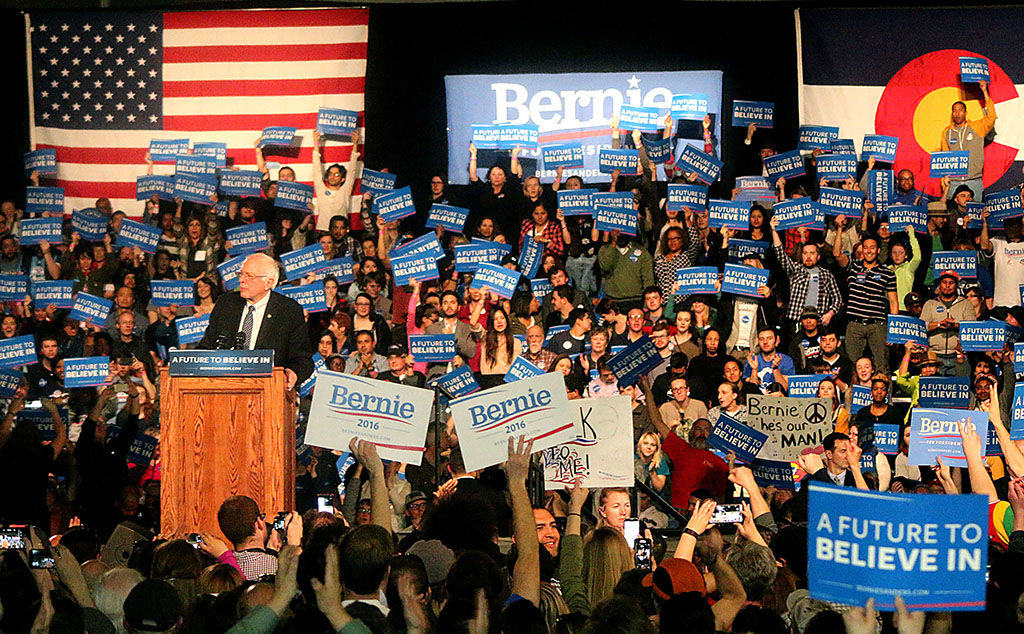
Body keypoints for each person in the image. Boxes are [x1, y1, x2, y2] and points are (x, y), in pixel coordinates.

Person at [198, 253, 313, 388]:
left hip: (268, 389)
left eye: (249, 276)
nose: (242, 280)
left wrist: (293, 373)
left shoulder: (289, 310)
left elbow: (303, 359)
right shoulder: (226, 304)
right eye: (241, 274)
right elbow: (206, 347)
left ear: (268, 282)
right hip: (223, 386)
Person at [833, 229, 898, 373]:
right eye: (866, 247)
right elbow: (837, 254)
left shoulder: (888, 273)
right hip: (854, 324)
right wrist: (839, 229)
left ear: (878, 250)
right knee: (851, 366)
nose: (869, 251)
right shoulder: (853, 267)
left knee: (882, 366)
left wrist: (893, 331)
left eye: (872, 247)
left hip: (877, 325)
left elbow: (893, 302)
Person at [770, 217, 842, 333]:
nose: (808, 256)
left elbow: (837, 299)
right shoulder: (795, 270)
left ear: (818, 257)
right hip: (795, 321)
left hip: (818, 322)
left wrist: (829, 314)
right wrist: (774, 230)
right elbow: (780, 253)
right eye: (805, 253)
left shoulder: (826, 275)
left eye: (812, 253)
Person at [939, 79, 995, 201]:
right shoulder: (947, 132)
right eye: (954, 111)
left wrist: (985, 92)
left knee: (976, 212)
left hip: (974, 181)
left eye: (960, 110)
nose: (957, 113)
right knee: (952, 212)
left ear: (965, 113)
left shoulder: (977, 127)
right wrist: (944, 182)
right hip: (954, 182)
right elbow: (944, 158)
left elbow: (991, 118)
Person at [919, 270, 974, 376]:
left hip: (957, 354)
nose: (947, 286)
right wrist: (939, 324)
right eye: (944, 282)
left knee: (959, 384)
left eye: (951, 283)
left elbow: (972, 328)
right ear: (940, 284)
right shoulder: (930, 304)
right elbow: (921, 327)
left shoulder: (966, 304)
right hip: (934, 355)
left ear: (956, 285)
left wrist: (955, 325)